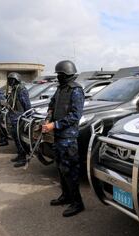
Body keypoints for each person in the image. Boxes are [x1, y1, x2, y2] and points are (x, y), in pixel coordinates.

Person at [42, 60, 85, 217]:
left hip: (68, 137)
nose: (58, 77)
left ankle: (77, 203)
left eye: (60, 74)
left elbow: (75, 115)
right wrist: (48, 118)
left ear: (66, 74)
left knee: (71, 170)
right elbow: (52, 105)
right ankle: (66, 196)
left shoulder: (76, 90)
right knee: (61, 169)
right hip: (58, 136)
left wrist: (55, 125)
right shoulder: (61, 89)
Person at [6, 72, 31, 167]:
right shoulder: (14, 89)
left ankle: (23, 158)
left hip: (19, 118)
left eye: (11, 80)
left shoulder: (21, 89)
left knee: (20, 139)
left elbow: (27, 105)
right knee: (15, 138)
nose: (9, 82)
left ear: (16, 80)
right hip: (13, 117)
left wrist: (27, 116)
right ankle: (20, 154)